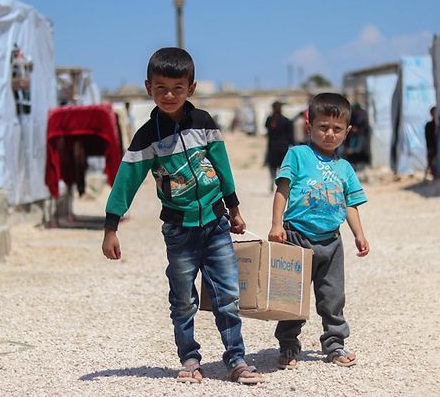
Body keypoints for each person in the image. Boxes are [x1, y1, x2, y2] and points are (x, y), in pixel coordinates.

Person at [102, 47, 264, 385]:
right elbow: (126, 182)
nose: (169, 95)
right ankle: (190, 359)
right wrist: (111, 227)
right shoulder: (147, 136)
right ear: (149, 88)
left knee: (227, 295)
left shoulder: (204, 123)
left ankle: (236, 358)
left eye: (178, 87)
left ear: (191, 87)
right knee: (183, 298)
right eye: (161, 88)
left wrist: (234, 210)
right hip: (179, 230)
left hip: (216, 224)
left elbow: (222, 168)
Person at [268, 92, 370, 369]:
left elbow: (350, 205)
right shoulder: (298, 155)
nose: (329, 134)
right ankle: (288, 345)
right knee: (292, 297)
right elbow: (282, 189)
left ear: (347, 131)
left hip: (332, 242)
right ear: (309, 125)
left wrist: (358, 234)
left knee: (333, 297)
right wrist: (277, 225)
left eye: (337, 129)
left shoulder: (345, 167)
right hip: (297, 237)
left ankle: (335, 345)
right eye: (323, 127)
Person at [265, 101, 294, 192]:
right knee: (283, 167)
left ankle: (272, 180)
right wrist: (292, 144)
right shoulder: (286, 120)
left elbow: (267, 130)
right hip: (283, 147)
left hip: (272, 146)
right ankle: (282, 184)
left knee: (272, 166)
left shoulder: (269, 120)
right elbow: (290, 135)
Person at [425, 106, 437, 179]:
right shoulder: (429, 125)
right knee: (431, 161)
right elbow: (428, 138)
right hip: (432, 147)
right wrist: (430, 148)